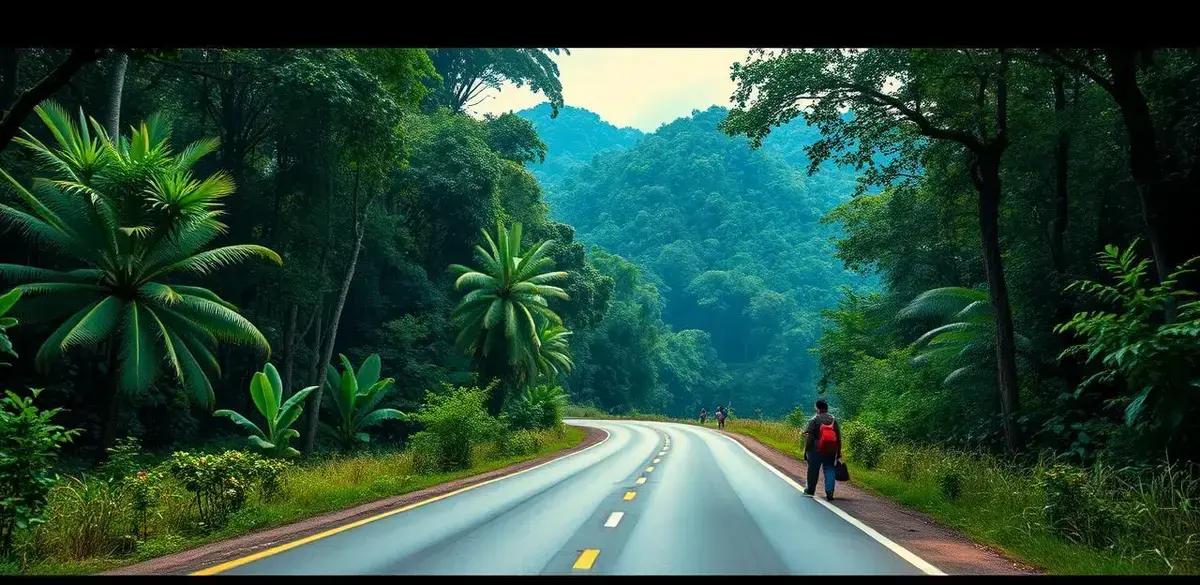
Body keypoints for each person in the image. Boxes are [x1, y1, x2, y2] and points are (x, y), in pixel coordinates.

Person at [801, 398, 842, 501]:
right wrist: (839, 451)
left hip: (816, 448)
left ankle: (810, 490)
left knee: (813, 469)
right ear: (826, 408)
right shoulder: (833, 419)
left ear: (817, 408)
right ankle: (829, 491)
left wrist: (806, 450)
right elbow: (838, 437)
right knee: (829, 468)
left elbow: (810, 437)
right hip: (831, 448)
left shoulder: (814, 420)